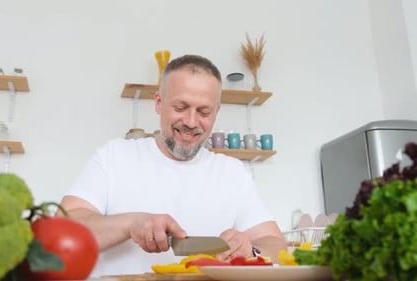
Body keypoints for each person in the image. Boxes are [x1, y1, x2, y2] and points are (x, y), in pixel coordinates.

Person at [59, 54, 287, 276]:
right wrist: (130, 224)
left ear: (217, 112)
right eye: (180, 108)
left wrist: (252, 250)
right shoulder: (113, 156)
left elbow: (276, 245)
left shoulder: (232, 172)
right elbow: (63, 233)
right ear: (158, 103)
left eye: (204, 112)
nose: (190, 121)